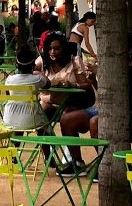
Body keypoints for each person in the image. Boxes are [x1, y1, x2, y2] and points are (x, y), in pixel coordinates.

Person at [36, 31, 97, 163]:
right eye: (50, 48)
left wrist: (73, 85)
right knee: (41, 112)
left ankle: (74, 157)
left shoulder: (74, 61)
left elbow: (86, 86)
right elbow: (27, 70)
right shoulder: (43, 61)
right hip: (50, 100)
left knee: (67, 114)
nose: (52, 52)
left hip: (72, 101)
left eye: (57, 48)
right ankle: (48, 156)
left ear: (63, 49)